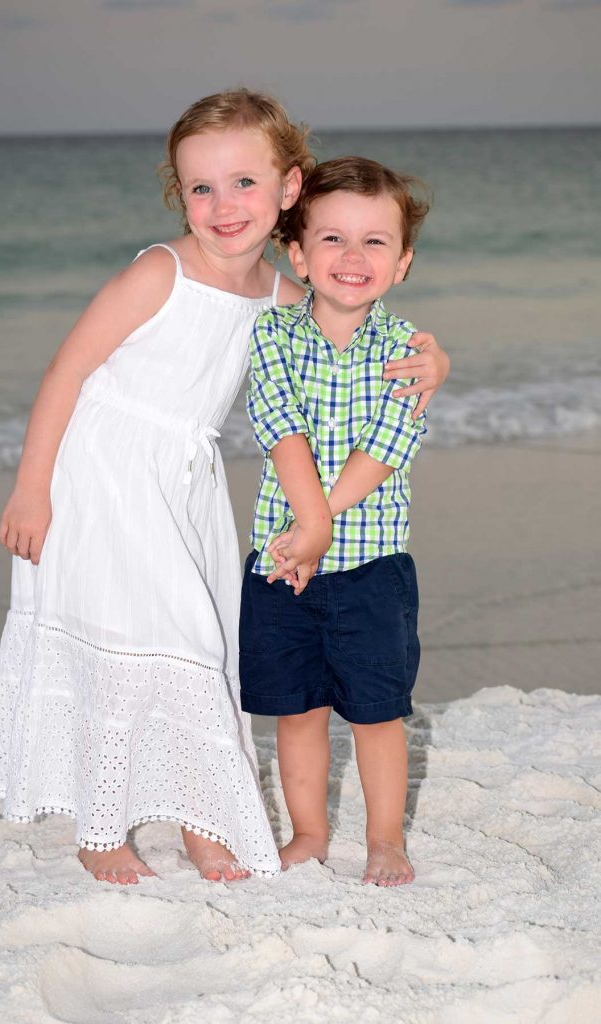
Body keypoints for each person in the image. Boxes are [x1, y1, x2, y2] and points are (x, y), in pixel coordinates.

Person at [0, 91, 449, 885]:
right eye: (201, 188)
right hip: (103, 474)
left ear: (288, 191)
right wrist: (31, 489)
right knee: (123, 639)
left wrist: (437, 363)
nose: (223, 206)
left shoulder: (277, 295)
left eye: (243, 185)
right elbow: (67, 372)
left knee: (204, 643)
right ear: (179, 196)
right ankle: (100, 830)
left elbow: (354, 313)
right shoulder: (160, 272)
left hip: (182, 485)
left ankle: (201, 821)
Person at [240, 156, 433, 887]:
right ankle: (309, 832)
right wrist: (303, 532)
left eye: (374, 242)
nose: (352, 258)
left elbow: (387, 445)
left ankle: (385, 839)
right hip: (279, 560)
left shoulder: (407, 351)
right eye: (332, 240)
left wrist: (318, 525)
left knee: (377, 714)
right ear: (296, 253)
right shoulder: (272, 337)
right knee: (297, 711)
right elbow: (278, 428)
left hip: (371, 569)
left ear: (402, 262)